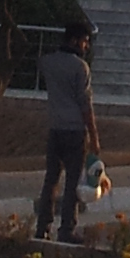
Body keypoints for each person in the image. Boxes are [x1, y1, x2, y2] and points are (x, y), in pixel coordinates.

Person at [34, 20, 100, 244]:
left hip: (55, 128)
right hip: (75, 131)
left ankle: (42, 227)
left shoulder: (48, 62)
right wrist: (94, 136)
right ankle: (67, 230)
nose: (86, 46)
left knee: (50, 179)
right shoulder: (80, 68)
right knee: (72, 182)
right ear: (74, 40)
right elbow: (85, 105)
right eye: (84, 41)